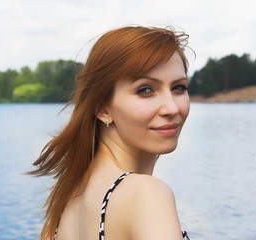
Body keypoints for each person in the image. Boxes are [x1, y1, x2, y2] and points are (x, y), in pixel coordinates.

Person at [30, 26, 192, 240]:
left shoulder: (68, 200)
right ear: (102, 107)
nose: (172, 108)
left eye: (178, 87)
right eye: (145, 90)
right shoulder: (146, 195)